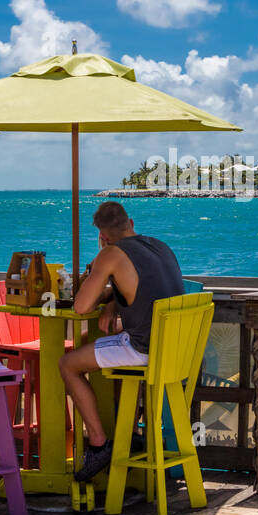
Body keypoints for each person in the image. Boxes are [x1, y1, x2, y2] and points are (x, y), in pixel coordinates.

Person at [61, 201, 184, 482]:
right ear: (131, 223)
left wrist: (99, 263)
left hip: (145, 348)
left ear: (102, 236)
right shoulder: (160, 246)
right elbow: (143, 289)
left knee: (68, 364)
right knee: (87, 340)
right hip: (176, 348)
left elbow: (80, 307)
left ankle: (98, 444)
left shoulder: (110, 254)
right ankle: (128, 432)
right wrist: (112, 304)